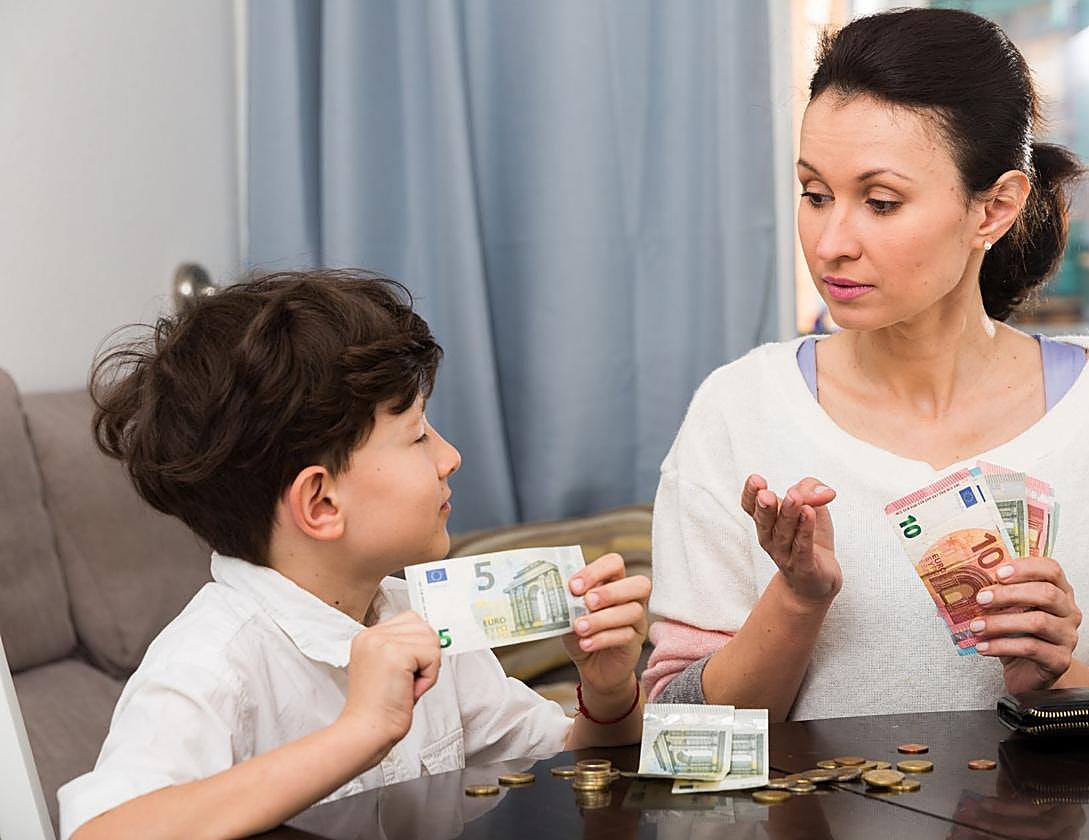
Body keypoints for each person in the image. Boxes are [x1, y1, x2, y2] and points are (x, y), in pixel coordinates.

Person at [642, 7, 1089, 723]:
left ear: (994, 209)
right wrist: (798, 598)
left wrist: (1056, 678)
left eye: (880, 202)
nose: (831, 242)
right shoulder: (739, 409)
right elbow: (675, 724)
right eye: (814, 194)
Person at [59, 271, 651, 839]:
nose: (451, 456)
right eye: (419, 435)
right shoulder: (213, 665)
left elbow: (567, 762)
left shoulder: (414, 616)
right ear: (320, 502)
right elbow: (106, 830)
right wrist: (360, 731)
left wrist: (606, 692)